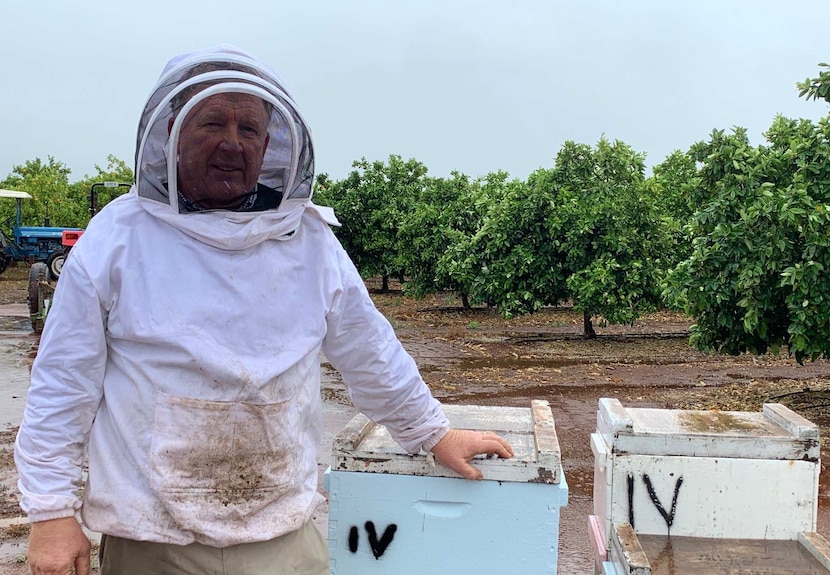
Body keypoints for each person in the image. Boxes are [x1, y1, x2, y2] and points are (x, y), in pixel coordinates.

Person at [14, 45, 513, 575]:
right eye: (213, 122)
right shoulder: (115, 240)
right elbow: (64, 385)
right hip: (151, 539)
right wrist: (50, 514)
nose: (233, 142)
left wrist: (433, 433)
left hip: (281, 536)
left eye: (249, 129)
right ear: (171, 134)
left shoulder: (309, 241)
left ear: (273, 144)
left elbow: (370, 352)